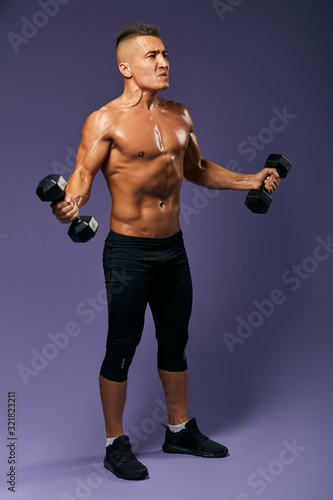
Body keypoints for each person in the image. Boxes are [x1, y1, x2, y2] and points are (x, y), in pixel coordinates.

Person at [51, 23, 280, 481]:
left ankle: (179, 429)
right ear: (126, 67)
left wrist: (250, 180)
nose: (163, 62)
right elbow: (81, 174)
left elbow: (197, 169)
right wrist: (71, 204)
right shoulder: (105, 120)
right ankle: (116, 443)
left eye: (165, 54)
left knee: (175, 342)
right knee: (123, 345)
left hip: (173, 250)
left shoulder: (180, 115)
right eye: (152, 56)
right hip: (129, 252)